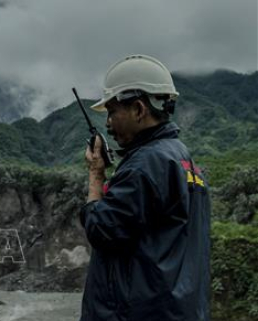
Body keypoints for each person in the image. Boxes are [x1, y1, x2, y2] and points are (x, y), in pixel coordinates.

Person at [79, 54, 211, 321]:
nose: (108, 124)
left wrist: (96, 175)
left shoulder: (144, 165)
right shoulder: (184, 160)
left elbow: (101, 228)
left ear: (139, 109)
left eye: (113, 112)